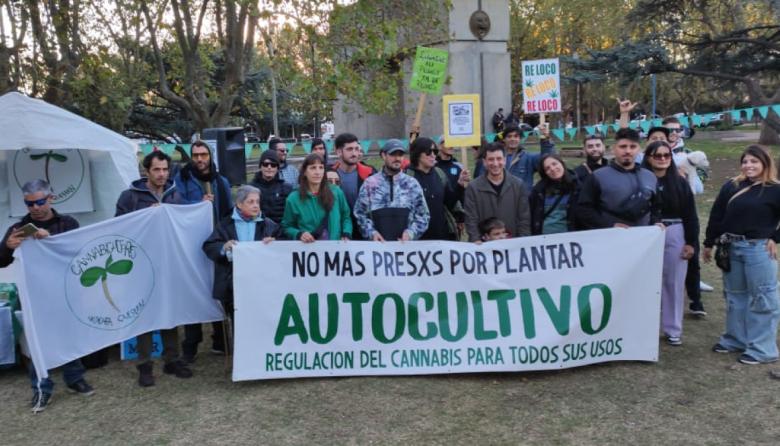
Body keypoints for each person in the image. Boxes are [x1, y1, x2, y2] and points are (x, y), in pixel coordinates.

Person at [1, 179, 94, 412]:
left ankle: (75, 378)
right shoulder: (18, 229)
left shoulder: (68, 223)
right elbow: (1, 261)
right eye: (29, 203)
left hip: (65, 291)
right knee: (37, 343)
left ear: (51, 198)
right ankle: (41, 388)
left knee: (69, 337)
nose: (35, 208)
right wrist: (8, 247)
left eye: (40, 202)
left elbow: (80, 253)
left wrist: (50, 240)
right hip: (35, 296)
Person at [115, 151, 192, 387]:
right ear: (146, 171)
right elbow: (119, 228)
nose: (161, 174)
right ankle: (145, 365)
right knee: (145, 314)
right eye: (156, 169)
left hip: (168, 262)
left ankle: (172, 359)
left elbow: (182, 224)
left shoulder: (174, 194)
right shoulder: (130, 197)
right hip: (140, 264)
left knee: (169, 311)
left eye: (165, 169)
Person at [704, 145, 780, 365]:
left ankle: (762, 349)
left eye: (754, 161)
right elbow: (717, 214)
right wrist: (709, 243)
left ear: (765, 163)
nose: (749, 166)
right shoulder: (732, 186)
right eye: (745, 161)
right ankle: (735, 339)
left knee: (762, 297)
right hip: (731, 246)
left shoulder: (775, 189)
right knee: (735, 296)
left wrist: (775, 237)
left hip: (758, 249)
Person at [173, 140, 232, 363]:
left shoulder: (220, 181)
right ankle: (191, 345)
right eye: (196, 155)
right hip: (191, 246)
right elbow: (176, 205)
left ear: (210, 156)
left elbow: (228, 213)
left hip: (216, 244)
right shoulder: (183, 179)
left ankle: (220, 341)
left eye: (203, 155)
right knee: (194, 293)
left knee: (218, 292)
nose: (199, 159)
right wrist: (197, 204)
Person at [641, 141, 698, 346]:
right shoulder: (640, 179)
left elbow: (690, 214)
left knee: (673, 281)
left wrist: (691, 243)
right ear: (648, 157)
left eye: (666, 155)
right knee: (645, 282)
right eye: (657, 155)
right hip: (645, 233)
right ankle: (643, 327)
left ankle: (672, 328)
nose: (663, 159)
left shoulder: (679, 182)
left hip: (675, 231)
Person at [202, 185, 277, 322]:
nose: (256, 205)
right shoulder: (225, 225)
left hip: (261, 285)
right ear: (239, 204)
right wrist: (223, 247)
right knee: (239, 325)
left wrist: (275, 243)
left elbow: (283, 246)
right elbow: (209, 246)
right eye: (251, 202)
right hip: (233, 287)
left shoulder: (269, 225)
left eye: (257, 202)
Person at [576, 128, 661, 229]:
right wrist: (608, 225)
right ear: (613, 149)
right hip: (610, 238)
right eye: (623, 146)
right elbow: (584, 209)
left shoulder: (650, 176)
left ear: (639, 149)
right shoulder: (597, 176)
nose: (628, 151)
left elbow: (657, 206)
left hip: (644, 239)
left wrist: (656, 221)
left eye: (632, 147)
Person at [354, 139, 429, 241]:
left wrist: (411, 234)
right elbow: (360, 214)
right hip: (378, 250)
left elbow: (423, 216)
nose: (397, 158)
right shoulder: (369, 184)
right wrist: (371, 233)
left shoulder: (412, 184)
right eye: (393, 154)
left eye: (400, 155)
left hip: (406, 249)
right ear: (383, 155)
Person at [464, 142, 530, 241]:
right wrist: (475, 240)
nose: (495, 164)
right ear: (484, 162)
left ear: (505, 160)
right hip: (484, 247)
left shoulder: (518, 185)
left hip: (513, 245)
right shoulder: (473, 187)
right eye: (491, 159)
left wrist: (523, 241)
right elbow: (471, 219)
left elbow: (524, 218)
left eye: (499, 159)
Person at [405, 137, 468, 240]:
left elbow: (450, 202)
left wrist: (460, 185)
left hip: (442, 236)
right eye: (429, 152)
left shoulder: (439, 174)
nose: (433, 155)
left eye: (435, 151)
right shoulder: (407, 176)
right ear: (417, 154)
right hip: (418, 239)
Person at [281, 154, 352, 242]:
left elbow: (346, 217)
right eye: (313, 168)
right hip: (308, 250)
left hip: (335, 249)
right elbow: (287, 226)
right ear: (305, 172)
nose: (318, 172)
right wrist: (299, 234)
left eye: (321, 167)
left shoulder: (336, 192)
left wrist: (346, 233)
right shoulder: (293, 198)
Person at [331, 132, 376, 240]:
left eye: (357, 149)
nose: (355, 153)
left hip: (365, 232)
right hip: (338, 233)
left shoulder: (370, 173)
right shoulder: (328, 175)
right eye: (350, 149)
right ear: (338, 152)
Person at [529, 154, 581, 235]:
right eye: (547, 168)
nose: (552, 169)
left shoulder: (578, 186)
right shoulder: (538, 191)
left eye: (554, 164)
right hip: (544, 239)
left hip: (570, 238)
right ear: (545, 173)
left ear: (562, 163)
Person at [498, 124, 555, 190]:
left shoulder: (529, 158)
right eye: (509, 136)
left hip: (523, 198)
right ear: (504, 139)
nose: (512, 139)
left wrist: (545, 140)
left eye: (516, 136)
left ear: (520, 139)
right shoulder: (496, 158)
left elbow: (547, 158)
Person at [249, 150, 293, 224]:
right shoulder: (250, 188)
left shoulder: (287, 188)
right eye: (266, 164)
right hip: (257, 231)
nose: (269, 167)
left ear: (277, 168)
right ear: (260, 166)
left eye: (273, 165)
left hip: (281, 232)